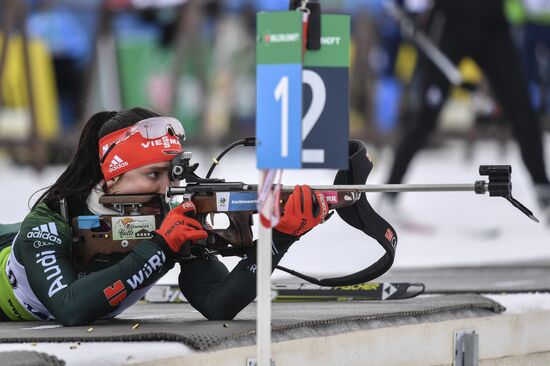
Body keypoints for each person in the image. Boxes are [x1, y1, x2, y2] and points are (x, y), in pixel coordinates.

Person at [0, 107, 328, 325]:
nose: (166, 188)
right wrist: (160, 248)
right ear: (113, 176)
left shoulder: (170, 215)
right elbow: (69, 307)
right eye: (153, 174)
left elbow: (217, 304)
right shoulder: (49, 222)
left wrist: (279, 238)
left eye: (171, 174)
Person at [382, 0, 550, 223]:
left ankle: (542, 188)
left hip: (493, 26)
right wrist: (411, 8)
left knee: (521, 110)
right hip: (450, 23)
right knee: (425, 116)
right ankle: (389, 194)